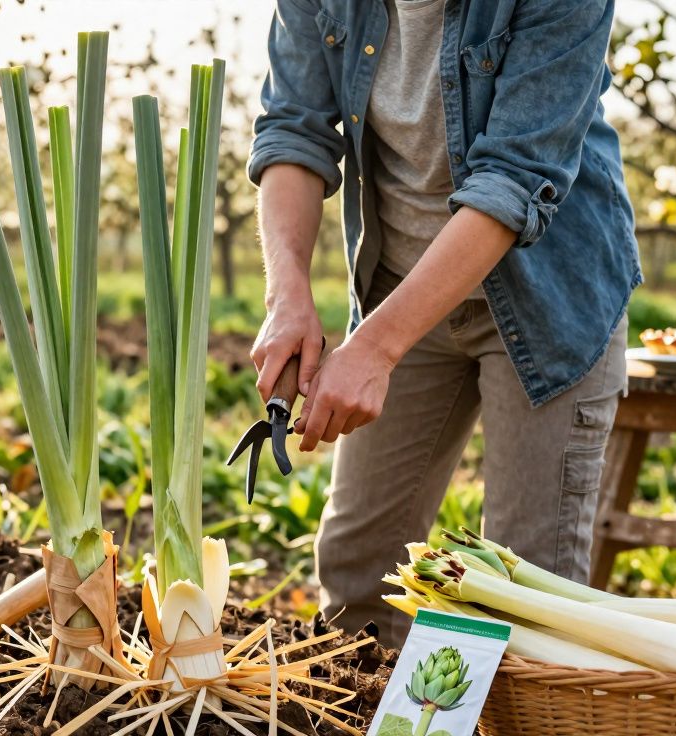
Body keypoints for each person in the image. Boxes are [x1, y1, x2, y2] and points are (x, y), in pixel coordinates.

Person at [247, 0, 642, 646]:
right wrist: (287, 294)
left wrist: (373, 350)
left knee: (525, 598)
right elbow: (294, 128)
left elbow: (514, 179)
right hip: (400, 285)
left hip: (549, 297)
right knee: (358, 575)